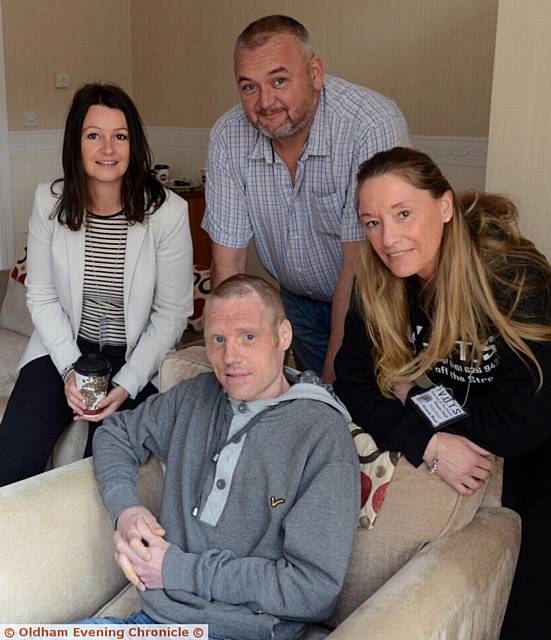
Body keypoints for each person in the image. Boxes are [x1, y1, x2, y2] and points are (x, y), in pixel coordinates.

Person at [333, 147, 551, 639]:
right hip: (477, 437)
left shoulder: (510, 277)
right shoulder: (375, 279)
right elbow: (351, 382)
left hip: (540, 450)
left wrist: (416, 397)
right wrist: (427, 442)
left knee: (527, 608)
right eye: (372, 222)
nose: (388, 239)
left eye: (403, 213)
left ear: (445, 206)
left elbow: (524, 422)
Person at [76, 275, 359, 639]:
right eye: (218, 340)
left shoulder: (321, 436)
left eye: (248, 336)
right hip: (155, 624)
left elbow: (312, 590)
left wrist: (176, 569)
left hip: (240, 632)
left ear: (283, 336)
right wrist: (126, 511)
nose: (231, 357)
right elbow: (117, 433)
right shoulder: (194, 396)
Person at [0, 83, 193, 486]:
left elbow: (172, 312)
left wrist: (127, 383)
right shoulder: (48, 202)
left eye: (119, 136)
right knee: (11, 464)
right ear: (76, 143)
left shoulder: (168, 212)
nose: (108, 148)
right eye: (94, 136)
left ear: (133, 144)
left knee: (104, 469)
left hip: (136, 354)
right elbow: (42, 295)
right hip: (65, 349)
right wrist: (70, 369)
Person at [202, 15, 410, 382]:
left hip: (371, 301)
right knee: (312, 409)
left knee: (359, 405)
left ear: (315, 73)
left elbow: (358, 264)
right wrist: (228, 353)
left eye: (279, 81)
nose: (265, 102)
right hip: (296, 302)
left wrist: (334, 378)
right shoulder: (227, 136)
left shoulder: (371, 124)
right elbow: (228, 261)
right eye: (249, 87)